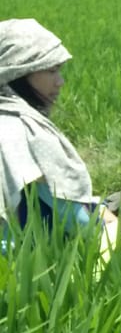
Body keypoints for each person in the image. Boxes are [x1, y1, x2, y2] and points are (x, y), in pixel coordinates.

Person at [0, 18, 101, 244]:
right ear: (19, 72)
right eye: (52, 71)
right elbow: (78, 221)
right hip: (27, 263)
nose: (60, 82)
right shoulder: (24, 132)